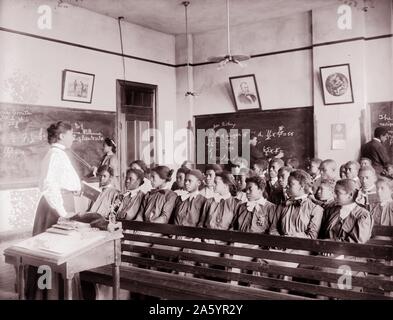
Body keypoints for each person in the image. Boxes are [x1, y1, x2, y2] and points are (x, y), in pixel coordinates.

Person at [27, 121, 81, 300]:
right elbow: (50, 187)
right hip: (55, 210)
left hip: (60, 205)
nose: (73, 138)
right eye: (71, 134)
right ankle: (49, 296)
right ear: (62, 135)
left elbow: (62, 182)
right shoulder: (55, 155)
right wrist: (62, 213)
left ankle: (61, 295)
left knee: (62, 253)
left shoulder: (58, 154)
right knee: (53, 254)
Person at [320, 179, 372, 244]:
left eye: (337, 193)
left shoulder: (363, 215)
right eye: (334, 192)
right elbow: (321, 235)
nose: (334, 196)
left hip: (350, 252)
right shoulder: (330, 211)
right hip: (324, 251)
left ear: (350, 195)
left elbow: (357, 243)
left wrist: (332, 245)